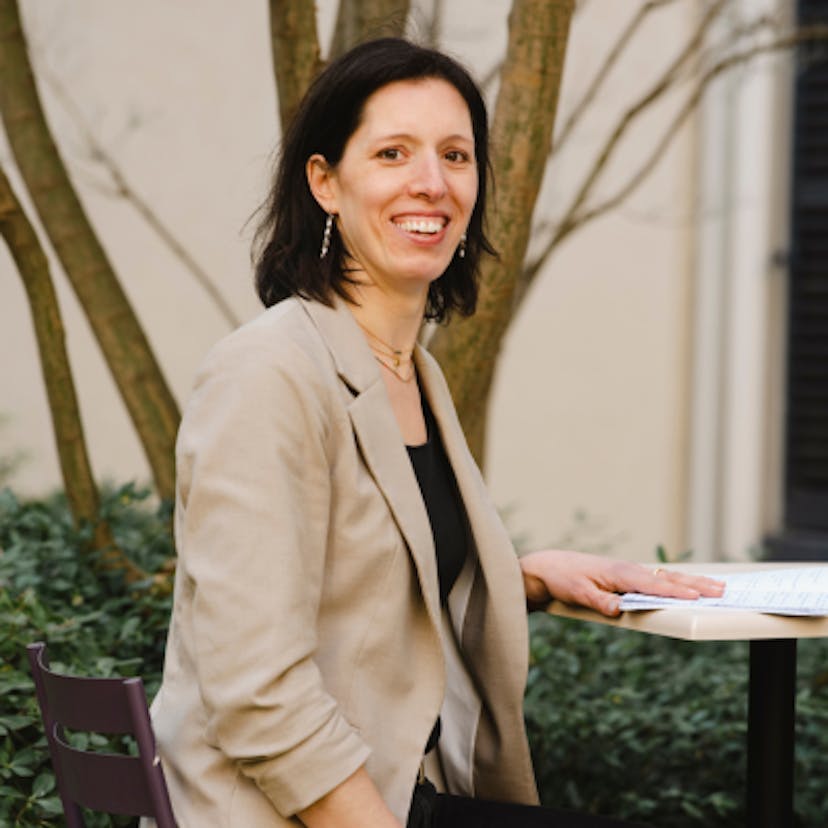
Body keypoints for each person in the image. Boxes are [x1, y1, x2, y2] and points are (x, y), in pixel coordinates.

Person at [148, 38, 724, 828]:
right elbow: (257, 694)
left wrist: (524, 575)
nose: (432, 182)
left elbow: (367, 580)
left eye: (456, 155)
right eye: (392, 153)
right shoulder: (268, 374)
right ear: (325, 182)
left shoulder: (411, 372)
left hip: (395, 792)